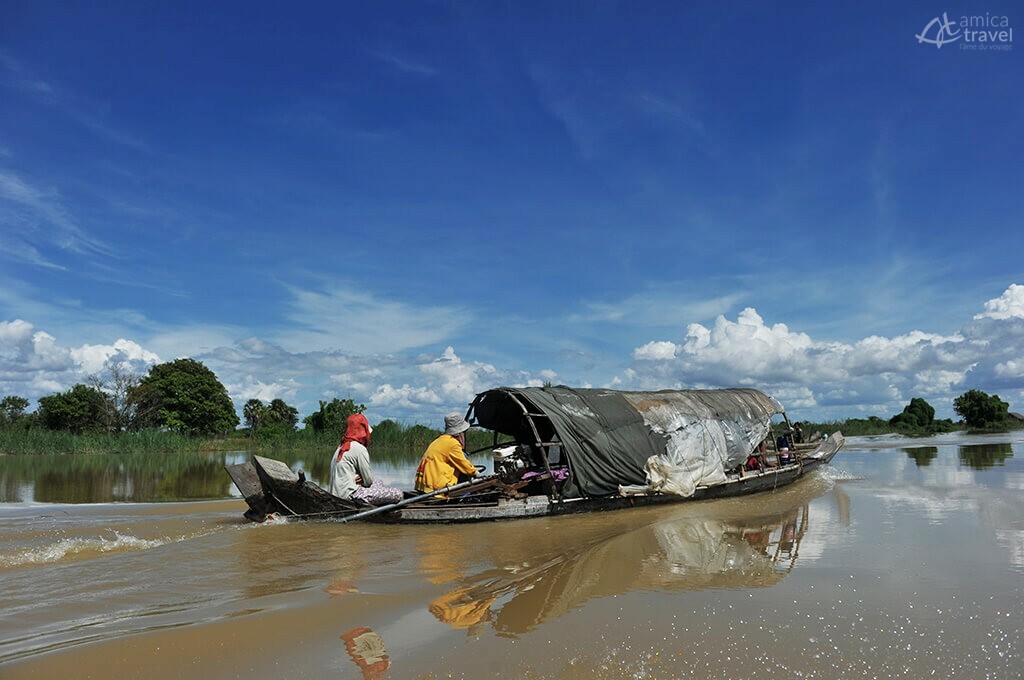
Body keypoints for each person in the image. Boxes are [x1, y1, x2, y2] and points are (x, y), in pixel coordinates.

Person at [329, 413, 403, 506]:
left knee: (379, 482)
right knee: (398, 493)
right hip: (350, 496)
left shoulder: (340, 446)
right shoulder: (359, 449)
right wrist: (363, 478)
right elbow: (368, 482)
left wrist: (361, 477)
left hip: (337, 493)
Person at [415, 412, 479, 493]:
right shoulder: (452, 444)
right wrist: (476, 473)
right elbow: (464, 464)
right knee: (464, 460)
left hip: (422, 486)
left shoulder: (439, 440)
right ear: (460, 433)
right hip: (436, 488)